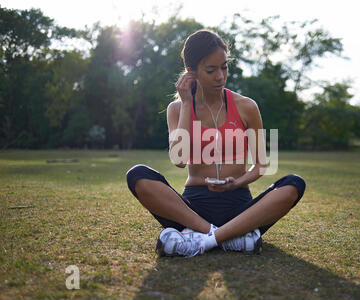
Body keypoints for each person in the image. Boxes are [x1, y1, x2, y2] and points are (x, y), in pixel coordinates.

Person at [126, 29, 306, 257]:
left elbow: (261, 165)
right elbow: (179, 160)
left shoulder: (246, 106)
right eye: (211, 70)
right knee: (138, 175)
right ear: (191, 72)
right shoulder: (176, 109)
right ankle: (228, 237)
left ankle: (202, 240)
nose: (220, 76)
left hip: (240, 207)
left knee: (293, 184)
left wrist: (236, 182)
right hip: (193, 209)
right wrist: (186, 104)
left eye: (224, 67)